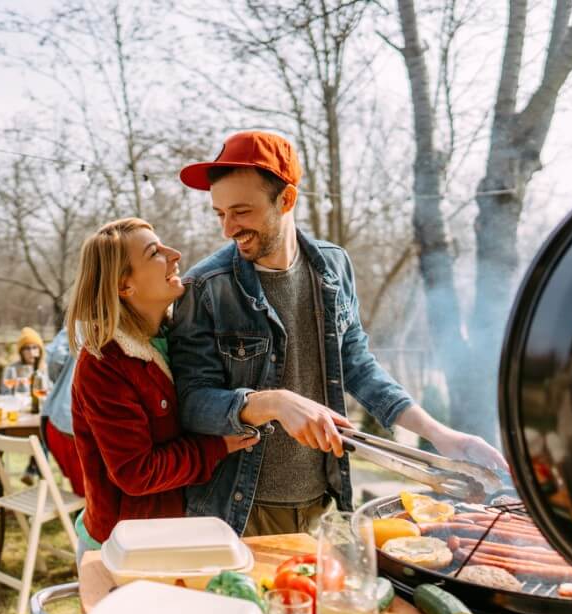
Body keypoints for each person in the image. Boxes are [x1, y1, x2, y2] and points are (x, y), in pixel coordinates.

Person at [170, 130, 509, 537]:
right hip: (235, 511)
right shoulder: (205, 286)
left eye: (241, 211)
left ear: (287, 200)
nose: (228, 229)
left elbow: (358, 366)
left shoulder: (333, 268)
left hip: (321, 505)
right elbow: (190, 402)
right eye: (219, 213)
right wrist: (271, 402)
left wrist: (439, 435)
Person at [67, 217, 258, 562]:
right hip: (123, 547)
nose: (175, 254)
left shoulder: (177, 338)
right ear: (124, 286)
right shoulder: (104, 364)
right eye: (155, 252)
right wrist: (215, 447)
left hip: (172, 531)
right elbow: (135, 472)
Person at [39, 326, 84, 496]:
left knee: (85, 494)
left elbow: (55, 359)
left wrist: (62, 381)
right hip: (78, 430)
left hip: (60, 422)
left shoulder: (78, 324)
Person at [0, 327, 48, 395]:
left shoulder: (46, 368)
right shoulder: (12, 369)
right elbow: (5, 393)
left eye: (34, 347)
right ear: (21, 352)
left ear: (40, 350)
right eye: (27, 348)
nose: (31, 352)